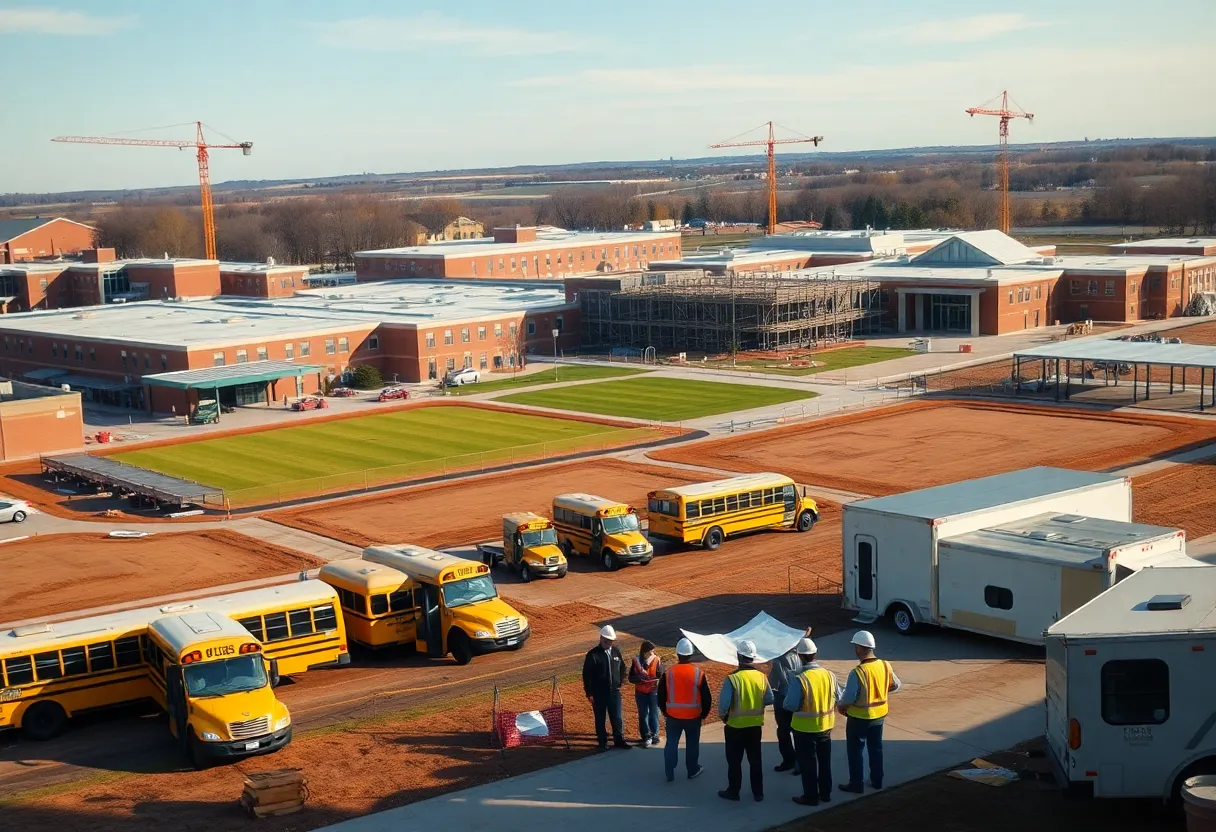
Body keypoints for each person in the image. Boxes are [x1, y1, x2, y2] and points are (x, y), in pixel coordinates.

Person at [837, 630, 901, 794]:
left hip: (859, 717)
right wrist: (880, 692)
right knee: (876, 749)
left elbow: (849, 697)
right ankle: (877, 780)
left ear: (859, 648)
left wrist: (841, 707)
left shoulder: (858, 672)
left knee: (856, 751)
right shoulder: (885, 665)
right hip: (879, 715)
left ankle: (856, 784)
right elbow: (896, 684)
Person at [784, 637, 843, 807]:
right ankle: (825, 794)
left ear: (800, 656)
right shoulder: (829, 675)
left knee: (808, 764)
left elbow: (790, 705)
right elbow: (839, 697)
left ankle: (811, 797)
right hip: (825, 727)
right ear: (815, 654)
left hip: (803, 730)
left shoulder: (800, 679)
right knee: (824, 763)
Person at [717, 639, 774, 803]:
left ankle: (734, 791)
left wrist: (725, 718)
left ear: (738, 656)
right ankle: (758, 793)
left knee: (734, 762)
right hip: (755, 726)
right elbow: (770, 698)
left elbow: (723, 706)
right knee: (755, 760)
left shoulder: (733, 679)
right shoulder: (761, 677)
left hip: (735, 727)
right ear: (753, 658)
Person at [658, 637, 712, 782]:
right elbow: (707, 697)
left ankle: (669, 771)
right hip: (693, 717)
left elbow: (661, 695)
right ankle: (692, 769)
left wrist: (665, 711)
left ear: (677, 653)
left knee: (671, 743)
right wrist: (704, 714)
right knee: (692, 744)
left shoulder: (668, 673)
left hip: (673, 716)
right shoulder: (698, 673)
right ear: (691, 654)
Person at [770, 626, 814, 775]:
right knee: (798, 733)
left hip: (783, 698)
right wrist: (806, 636)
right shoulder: (799, 656)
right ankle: (800, 763)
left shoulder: (778, 661)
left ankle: (789, 760)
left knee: (783, 732)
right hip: (800, 697)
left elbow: (775, 683)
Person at [582, 624, 631, 751]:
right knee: (600, 718)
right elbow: (587, 676)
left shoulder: (616, 651)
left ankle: (619, 740)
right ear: (601, 638)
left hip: (614, 692)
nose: (608, 643)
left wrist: (619, 682)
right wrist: (589, 693)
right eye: (606, 641)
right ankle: (602, 742)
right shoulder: (593, 655)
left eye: (610, 641)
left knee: (617, 717)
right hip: (599, 693)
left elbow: (622, 667)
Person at [629, 640, 664, 747]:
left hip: (653, 691)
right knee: (643, 714)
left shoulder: (656, 660)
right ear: (645, 652)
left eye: (653, 651)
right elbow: (630, 677)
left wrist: (658, 681)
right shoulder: (636, 661)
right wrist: (638, 680)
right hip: (640, 692)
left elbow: (660, 675)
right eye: (650, 651)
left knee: (654, 713)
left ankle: (655, 735)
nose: (652, 653)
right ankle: (646, 736)